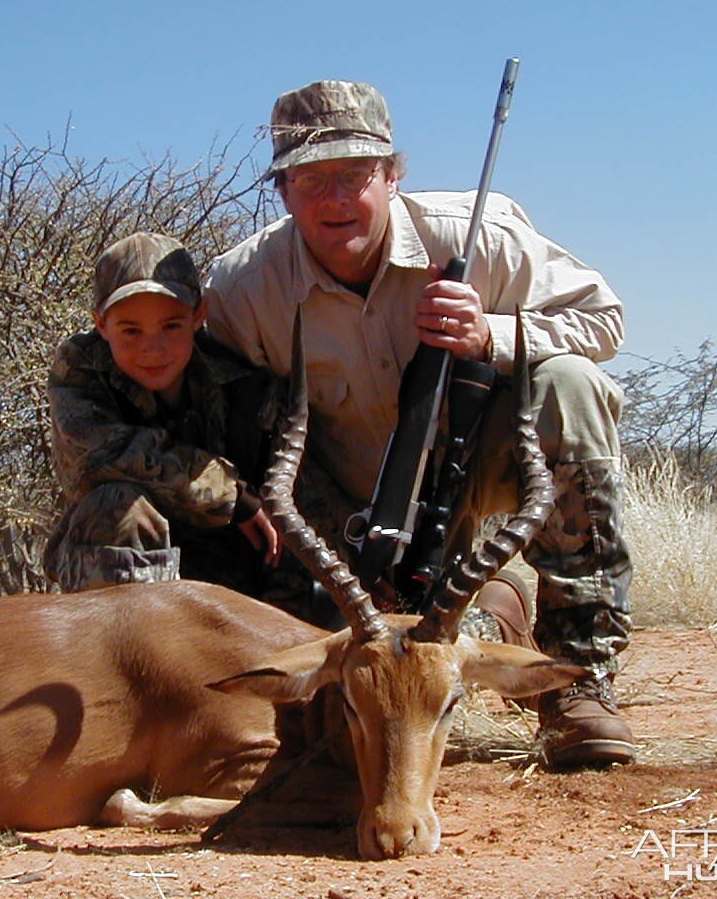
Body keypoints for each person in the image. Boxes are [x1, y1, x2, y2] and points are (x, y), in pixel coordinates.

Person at [204, 79, 636, 769]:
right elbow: (206, 396)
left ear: (394, 175)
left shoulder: (477, 236)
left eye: (355, 175)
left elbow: (604, 321)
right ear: (281, 192)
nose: (335, 200)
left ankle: (579, 683)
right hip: (346, 508)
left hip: (479, 464)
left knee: (570, 386)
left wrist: (489, 332)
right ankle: (489, 607)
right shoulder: (241, 289)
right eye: (309, 181)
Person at [42, 231, 282, 597]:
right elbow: (104, 455)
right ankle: (125, 650)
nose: (153, 349)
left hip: (228, 559)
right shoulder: (80, 367)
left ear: (199, 315)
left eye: (171, 326)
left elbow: (293, 477)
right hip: (129, 561)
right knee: (117, 506)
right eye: (131, 331)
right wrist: (230, 495)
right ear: (101, 324)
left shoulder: (238, 377)